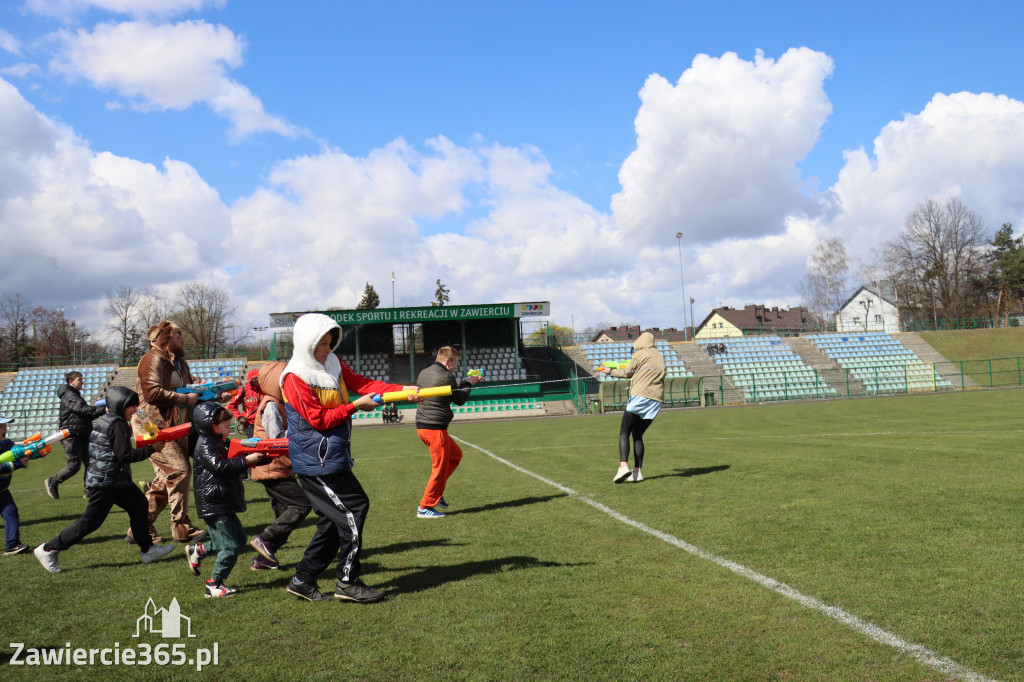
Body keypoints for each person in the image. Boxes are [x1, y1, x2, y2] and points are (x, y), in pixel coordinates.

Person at [281, 313, 419, 603]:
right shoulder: (295, 377)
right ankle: (347, 582)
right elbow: (319, 420)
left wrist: (400, 390)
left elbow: (363, 383)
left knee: (333, 522)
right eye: (322, 344)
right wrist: (355, 406)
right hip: (315, 463)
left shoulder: (333, 363)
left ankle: (302, 580)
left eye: (331, 343)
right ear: (307, 343)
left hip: (332, 456)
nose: (327, 350)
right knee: (355, 508)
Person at [33, 387, 177, 573]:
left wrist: (149, 428)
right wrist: (153, 448)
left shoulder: (109, 420)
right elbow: (125, 455)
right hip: (105, 483)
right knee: (90, 522)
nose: (135, 409)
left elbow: (128, 440)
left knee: (139, 505)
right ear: (120, 405)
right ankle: (48, 549)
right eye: (131, 406)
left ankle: (148, 549)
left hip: (115, 480)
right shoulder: (117, 425)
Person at [133, 320, 227, 544]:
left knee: (167, 477)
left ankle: (139, 526)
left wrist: (216, 392)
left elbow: (193, 387)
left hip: (176, 426)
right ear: (166, 339)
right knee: (180, 471)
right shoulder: (151, 359)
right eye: (178, 335)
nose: (182, 340)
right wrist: (184, 399)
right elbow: (152, 392)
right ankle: (180, 525)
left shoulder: (180, 362)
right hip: (153, 426)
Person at [184, 403, 264, 597]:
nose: (230, 430)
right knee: (230, 546)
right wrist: (246, 461)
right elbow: (218, 466)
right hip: (215, 503)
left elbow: (230, 459)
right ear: (212, 425)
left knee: (238, 538)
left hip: (221, 500)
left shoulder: (218, 441)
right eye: (227, 427)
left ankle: (200, 550)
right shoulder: (206, 444)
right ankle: (214, 584)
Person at [247, 361, 312, 571]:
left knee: (283, 515)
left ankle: (263, 559)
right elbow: (276, 438)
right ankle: (265, 540)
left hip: (278, 467)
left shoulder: (278, 403)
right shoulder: (271, 404)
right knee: (302, 505)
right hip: (273, 467)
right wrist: (302, 432)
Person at [413, 346, 481, 518]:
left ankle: (437, 491)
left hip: (423, 426)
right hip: (435, 428)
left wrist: (463, 383)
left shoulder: (424, 372)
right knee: (440, 468)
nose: (456, 367)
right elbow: (459, 399)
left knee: (455, 455)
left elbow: (450, 390)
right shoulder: (446, 376)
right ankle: (425, 506)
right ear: (446, 361)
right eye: (455, 363)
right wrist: (470, 383)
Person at [596, 332, 666, 483]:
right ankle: (637, 472)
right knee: (638, 435)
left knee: (624, 431)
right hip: (656, 400)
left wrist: (610, 372)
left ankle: (623, 467)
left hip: (640, 397)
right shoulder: (659, 356)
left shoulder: (639, 354)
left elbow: (628, 373)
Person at [46, 371, 106, 500]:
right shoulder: (69, 395)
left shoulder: (74, 394)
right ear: (71, 381)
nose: (82, 382)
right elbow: (83, 410)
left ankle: (89, 491)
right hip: (72, 435)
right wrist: (103, 410)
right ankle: (52, 482)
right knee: (74, 466)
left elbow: (83, 411)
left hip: (82, 434)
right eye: (80, 379)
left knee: (90, 464)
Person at [0, 414, 31, 555]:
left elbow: (21, 453)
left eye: (5, 425)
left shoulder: (7, 443)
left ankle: (12, 545)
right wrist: (18, 464)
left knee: (11, 513)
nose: (5, 428)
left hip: (2, 490)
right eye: (1, 426)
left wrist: (36, 452)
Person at [227, 369, 262, 438]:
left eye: (258, 378)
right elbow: (231, 406)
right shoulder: (243, 390)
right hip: (249, 423)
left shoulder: (264, 390)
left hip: (263, 423)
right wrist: (239, 417)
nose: (257, 381)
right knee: (255, 445)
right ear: (250, 380)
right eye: (254, 379)